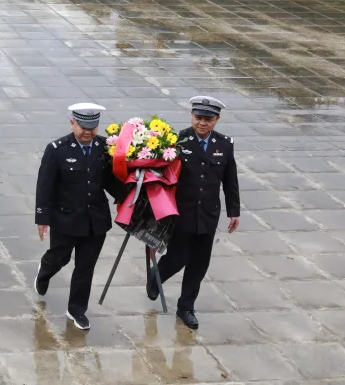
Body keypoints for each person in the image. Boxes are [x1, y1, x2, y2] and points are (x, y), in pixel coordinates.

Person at [33, 104, 128, 331]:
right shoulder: (57, 149)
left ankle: (76, 310)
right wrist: (42, 218)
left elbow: (109, 181)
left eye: (93, 127)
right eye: (83, 127)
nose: (88, 132)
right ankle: (45, 270)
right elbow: (45, 186)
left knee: (85, 268)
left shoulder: (105, 147)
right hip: (65, 219)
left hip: (95, 221)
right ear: (73, 123)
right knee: (60, 258)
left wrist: (131, 196)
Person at [149, 96, 240, 330]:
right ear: (191, 116)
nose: (202, 123)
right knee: (178, 257)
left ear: (217, 119)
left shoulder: (225, 144)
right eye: (198, 118)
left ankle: (186, 307)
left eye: (208, 119)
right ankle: (156, 276)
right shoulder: (177, 141)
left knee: (199, 263)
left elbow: (230, 181)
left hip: (209, 214)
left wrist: (234, 211)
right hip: (182, 212)